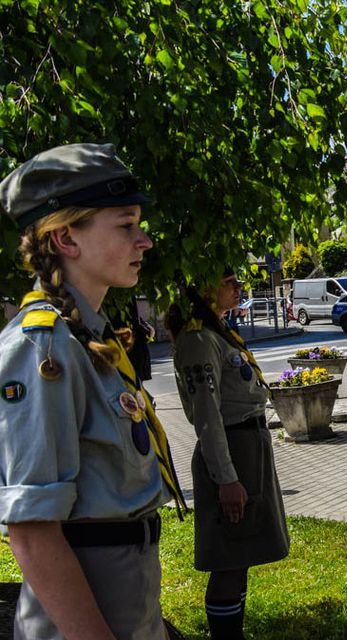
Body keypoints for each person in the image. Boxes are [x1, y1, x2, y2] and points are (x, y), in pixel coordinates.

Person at [0, 143, 184, 639]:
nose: (144, 241)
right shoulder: (44, 347)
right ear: (66, 238)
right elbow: (32, 533)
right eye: (125, 225)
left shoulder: (85, 338)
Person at [169, 269, 289, 639]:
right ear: (205, 288)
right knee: (230, 559)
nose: (239, 288)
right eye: (230, 281)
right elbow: (207, 416)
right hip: (232, 451)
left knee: (242, 555)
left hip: (248, 448)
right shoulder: (199, 339)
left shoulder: (218, 332)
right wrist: (227, 479)